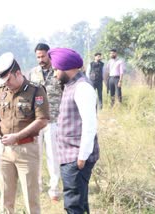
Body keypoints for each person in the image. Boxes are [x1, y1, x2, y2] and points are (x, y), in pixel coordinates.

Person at [0, 52, 49, 214]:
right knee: (6, 196)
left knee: (31, 198)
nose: (7, 84)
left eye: (9, 80)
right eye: (4, 81)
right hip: (4, 150)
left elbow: (42, 120)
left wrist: (17, 137)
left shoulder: (36, 91)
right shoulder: (1, 91)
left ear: (18, 73)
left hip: (27, 150)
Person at [48, 48, 100, 214]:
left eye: (56, 69)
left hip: (76, 156)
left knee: (73, 204)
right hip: (71, 155)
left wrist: (82, 156)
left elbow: (89, 124)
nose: (55, 74)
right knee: (80, 203)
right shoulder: (71, 85)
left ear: (65, 68)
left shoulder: (82, 87)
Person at [29, 43, 61, 201]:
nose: (40, 59)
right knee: (36, 154)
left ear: (49, 55)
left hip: (54, 119)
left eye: (43, 56)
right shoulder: (33, 73)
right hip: (36, 120)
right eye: (38, 57)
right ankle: (37, 186)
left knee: (53, 156)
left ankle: (54, 189)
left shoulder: (59, 71)